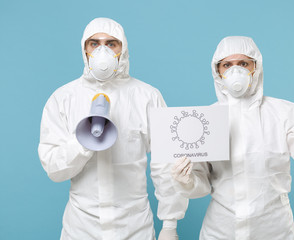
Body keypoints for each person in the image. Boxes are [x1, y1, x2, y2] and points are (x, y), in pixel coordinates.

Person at [172, 36, 294, 240]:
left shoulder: (283, 112)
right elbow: (201, 187)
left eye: (243, 63)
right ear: (217, 72)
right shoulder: (205, 120)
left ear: (256, 67)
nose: (235, 71)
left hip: (276, 231)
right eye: (227, 65)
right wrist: (186, 180)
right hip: (221, 231)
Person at [38, 17, 187, 240]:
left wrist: (169, 225)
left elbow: (164, 165)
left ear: (123, 49)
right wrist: (83, 141)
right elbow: (54, 169)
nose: (102, 51)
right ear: (85, 49)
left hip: (135, 226)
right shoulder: (63, 99)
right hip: (80, 227)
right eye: (94, 43)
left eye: (111, 44)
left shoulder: (147, 97)